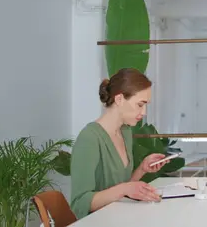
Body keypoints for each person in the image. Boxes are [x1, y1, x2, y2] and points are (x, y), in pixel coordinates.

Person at [70, 68, 170, 219]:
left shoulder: (125, 132)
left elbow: (122, 189)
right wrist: (124, 189)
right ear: (119, 99)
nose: (144, 112)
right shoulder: (90, 138)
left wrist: (142, 169)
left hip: (119, 219)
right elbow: (79, 203)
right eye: (140, 104)